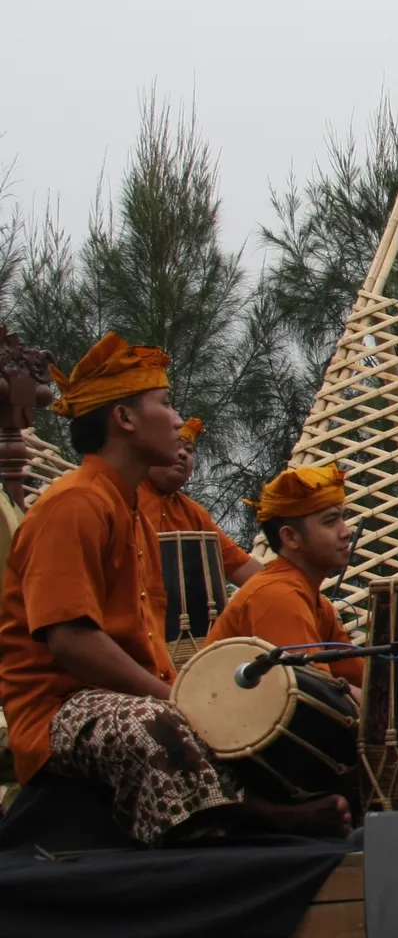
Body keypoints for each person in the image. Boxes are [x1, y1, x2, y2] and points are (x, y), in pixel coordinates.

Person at [0, 332, 345, 844]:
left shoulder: (131, 510)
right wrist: (176, 698)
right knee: (155, 725)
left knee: (230, 716)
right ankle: (255, 824)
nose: (180, 419)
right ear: (124, 419)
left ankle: (260, 817)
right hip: (60, 709)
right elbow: (69, 641)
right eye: (165, 402)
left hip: (128, 692)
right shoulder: (73, 504)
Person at [204, 463, 366, 690]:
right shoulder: (278, 595)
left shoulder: (319, 605)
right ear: (291, 537)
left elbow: (362, 681)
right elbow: (320, 694)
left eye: (342, 518)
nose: (346, 531)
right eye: (330, 521)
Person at [139, 416, 260, 653]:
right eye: (176, 446)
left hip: (187, 646)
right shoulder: (122, 497)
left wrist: (292, 589)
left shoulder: (192, 513)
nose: (183, 455)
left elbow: (241, 567)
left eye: (189, 449)